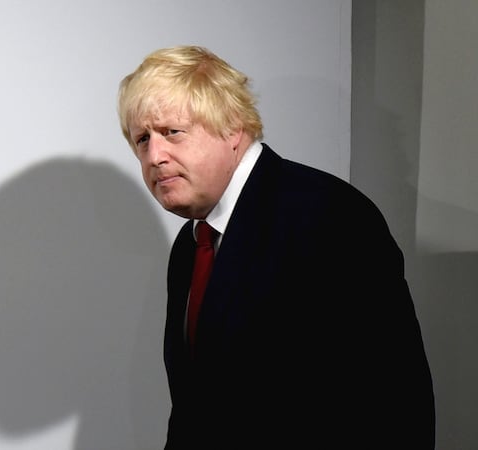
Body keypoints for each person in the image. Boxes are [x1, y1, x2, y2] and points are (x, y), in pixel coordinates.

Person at [117, 46, 435, 449]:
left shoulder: (327, 215)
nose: (154, 156)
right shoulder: (192, 243)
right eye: (142, 140)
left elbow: (394, 402)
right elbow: (197, 411)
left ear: (233, 127)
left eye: (171, 132)